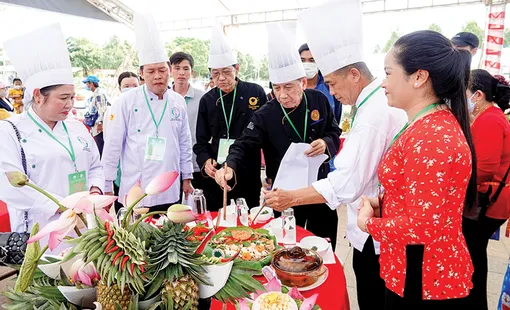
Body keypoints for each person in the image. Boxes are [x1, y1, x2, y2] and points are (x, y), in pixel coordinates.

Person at [264, 2, 407, 309]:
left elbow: (346, 183)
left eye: (331, 83)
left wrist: (290, 197)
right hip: (373, 222)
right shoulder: (370, 106)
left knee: (372, 296)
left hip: (376, 230)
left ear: (354, 74)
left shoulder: (371, 115)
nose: (331, 92)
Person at [355, 30, 477, 309]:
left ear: (419, 77)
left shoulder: (431, 137)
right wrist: (383, 202)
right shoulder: (426, 126)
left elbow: (422, 227)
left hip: (424, 277)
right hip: (415, 269)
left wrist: (367, 224)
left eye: (388, 73)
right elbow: (425, 200)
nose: (383, 83)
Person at [215, 21, 341, 245]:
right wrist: (229, 166)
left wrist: (325, 142)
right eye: (277, 88)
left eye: (289, 87)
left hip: (318, 188)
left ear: (303, 82)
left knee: (324, 242)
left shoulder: (319, 100)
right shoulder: (265, 114)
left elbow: (334, 130)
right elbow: (243, 144)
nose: (282, 95)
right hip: (283, 193)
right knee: (286, 245)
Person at [0, 24, 104, 253]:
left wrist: (95, 191)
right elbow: (10, 186)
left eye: (72, 97)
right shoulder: (10, 131)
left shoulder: (76, 127)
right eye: (63, 98)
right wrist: (62, 205)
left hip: (84, 227)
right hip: (41, 231)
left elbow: (96, 166)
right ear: (38, 95)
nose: (70, 104)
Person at [102, 12, 194, 213]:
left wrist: (187, 177)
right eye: (151, 71)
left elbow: (185, 142)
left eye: (162, 70)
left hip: (171, 189)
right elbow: (112, 146)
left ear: (169, 70)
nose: (158, 76)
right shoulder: (126, 101)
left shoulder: (177, 101)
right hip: (136, 189)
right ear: (141, 73)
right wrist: (107, 185)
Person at [194, 23, 267, 211]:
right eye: (215, 74)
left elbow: (266, 133)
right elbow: (201, 142)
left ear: (237, 69)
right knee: (218, 219)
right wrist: (205, 161)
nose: (221, 78)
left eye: (226, 72)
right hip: (217, 171)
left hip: (248, 169)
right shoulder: (207, 100)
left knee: (248, 219)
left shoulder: (255, 92)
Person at [462, 70, 510, 310]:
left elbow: (485, 168)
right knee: (475, 253)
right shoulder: (491, 116)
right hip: (491, 198)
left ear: (478, 95)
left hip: (489, 201)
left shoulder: (490, 118)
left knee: (473, 254)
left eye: (465, 93)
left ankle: (473, 301)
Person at [103, 71, 140, 212]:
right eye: (126, 86)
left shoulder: (144, 108)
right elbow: (110, 142)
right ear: (120, 88)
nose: (131, 88)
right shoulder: (113, 109)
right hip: (120, 168)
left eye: (134, 85)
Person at [170, 52, 206, 190]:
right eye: (177, 68)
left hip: (196, 163)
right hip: (170, 165)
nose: (181, 73)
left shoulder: (203, 98)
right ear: (170, 70)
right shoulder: (163, 98)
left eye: (186, 69)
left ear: (192, 72)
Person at [299, 43, 342, 123]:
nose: (307, 64)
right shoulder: (292, 87)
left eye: (312, 60)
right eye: (302, 60)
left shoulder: (330, 86)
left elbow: (336, 117)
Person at [83, 75, 108, 157]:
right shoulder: (95, 94)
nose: (86, 86)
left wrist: (100, 123)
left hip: (98, 127)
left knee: (100, 148)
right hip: (95, 125)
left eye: (87, 84)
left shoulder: (98, 95)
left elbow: (102, 110)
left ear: (91, 84)